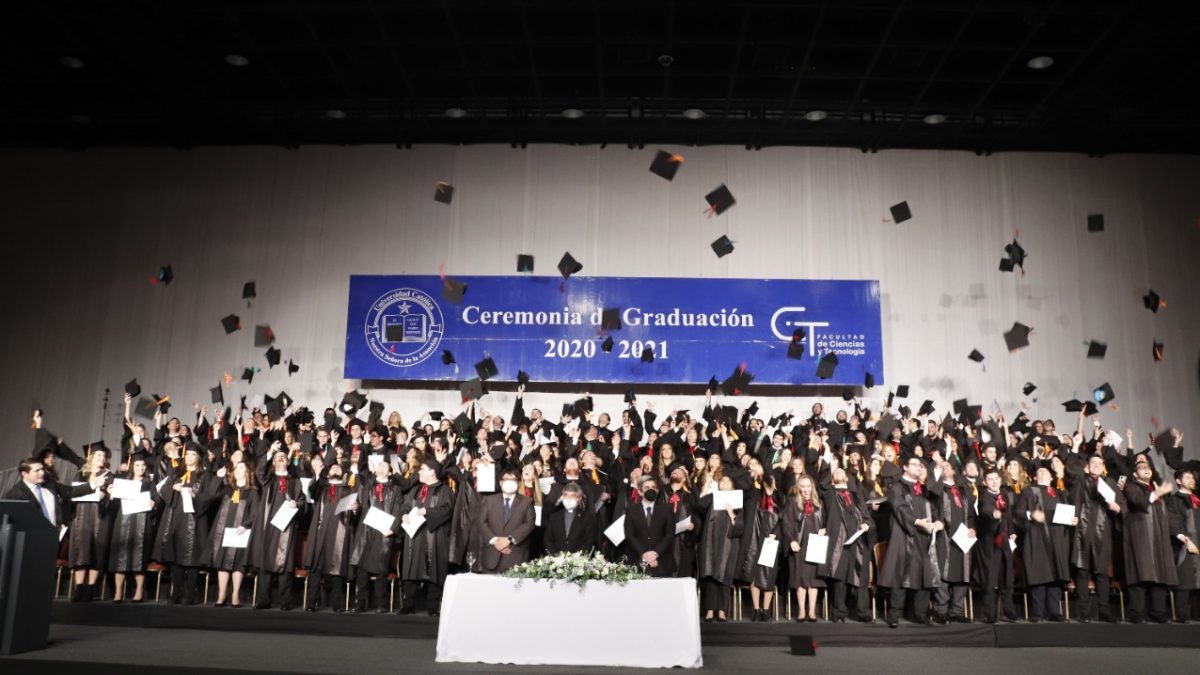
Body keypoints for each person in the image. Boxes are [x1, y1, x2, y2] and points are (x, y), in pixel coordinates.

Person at [878, 457, 942, 628]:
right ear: (905, 467)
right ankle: (894, 615)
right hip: (903, 535)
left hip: (924, 536)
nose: (918, 467)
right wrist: (917, 522)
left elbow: (933, 508)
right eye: (914, 464)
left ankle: (920, 614)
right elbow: (899, 507)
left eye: (920, 465)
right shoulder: (896, 486)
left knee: (924, 575)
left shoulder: (922, 488)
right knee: (899, 575)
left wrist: (937, 521)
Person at [153, 443, 216, 605]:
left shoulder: (205, 475)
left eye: (193, 455)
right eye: (187, 454)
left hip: (195, 519)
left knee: (193, 557)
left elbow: (210, 497)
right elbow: (164, 489)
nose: (189, 457)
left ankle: (190, 594)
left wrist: (195, 494)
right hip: (176, 517)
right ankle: (176, 593)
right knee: (175, 556)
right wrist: (173, 487)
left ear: (198, 458)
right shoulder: (176, 472)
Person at [252, 444, 308, 610]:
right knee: (266, 563)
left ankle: (285, 602)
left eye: (283, 457)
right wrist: (269, 452)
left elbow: (303, 503)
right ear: (273, 463)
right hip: (268, 527)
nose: (281, 459)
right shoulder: (268, 480)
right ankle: (263, 600)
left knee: (286, 565)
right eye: (277, 458)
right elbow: (259, 471)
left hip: (287, 528)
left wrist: (296, 504)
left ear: (289, 462)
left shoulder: (296, 482)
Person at [1122, 457, 1178, 623]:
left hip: (1159, 537)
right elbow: (1137, 502)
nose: (1146, 469)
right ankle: (1137, 613)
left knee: (1161, 573)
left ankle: (1158, 612)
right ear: (1135, 473)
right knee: (1140, 573)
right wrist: (1156, 494)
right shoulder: (1131, 486)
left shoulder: (1156, 488)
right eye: (1141, 467)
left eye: (1148, 467)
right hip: (1140, 535)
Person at [1070, 454, 1123, 623]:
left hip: (1103, 530)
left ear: (1103, 466)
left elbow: (1121, 505)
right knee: (1083, 571)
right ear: (1088, 465)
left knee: (1101, 573)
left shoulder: (1110, 483)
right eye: (1093, 462)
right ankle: (1083, 612)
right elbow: (1075, 502)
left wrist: (1117, 508)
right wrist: (1074, 517)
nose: (1096, 465)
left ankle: (1104, 611)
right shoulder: (1080, 480)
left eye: (1099, 463)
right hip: (1083, 531)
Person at [398, 459, 454, 616]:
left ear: (432, 472)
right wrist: (403, 515)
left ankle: (432, 607)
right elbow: (405, 504)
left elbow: (447, 510)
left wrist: (427, 512)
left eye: (422, 469)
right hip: (414, 536)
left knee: (433, 569)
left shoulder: (444, 490)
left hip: (434, 536)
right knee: (411, 570)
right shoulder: (415, 489)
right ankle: (408, 605)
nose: (419, 472)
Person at [1016, 466, 1071, 621]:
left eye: (1045, 471)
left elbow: (1067, 511)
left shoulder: (1059, 493)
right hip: (1036, 537)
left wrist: (1072, 520)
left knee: (1056, 574)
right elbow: (1017, 512)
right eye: (1038, 472)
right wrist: (1031, 513)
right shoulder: (1028, 491)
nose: (1042, 473)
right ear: (1034, 477)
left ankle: (1054, 611)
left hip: (1058, 539)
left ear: (1052, 477)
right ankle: (1038, 612)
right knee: (1039, 574)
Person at [349, 459, 404, 613]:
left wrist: (392, 528)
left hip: (383, 532)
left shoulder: (396, 489)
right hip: (366, 530)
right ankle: (361, 602)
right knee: (362, 568)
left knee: (381, 568)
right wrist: (354, 508)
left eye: (385, 465)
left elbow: (397, 509)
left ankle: (381, 603)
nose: (381, 465)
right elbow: (360, 504)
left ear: (390, 472)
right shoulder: (368, 485)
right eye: (379, 464)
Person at [303, 456, 357, 612]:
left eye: (338, 468)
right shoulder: (322, 487)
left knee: (337, 568)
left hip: (340, 531)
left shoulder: (349, 490)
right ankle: (311, 603)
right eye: (332, 468)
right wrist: (317, 475)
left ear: (343, 473)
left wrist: (354, 509)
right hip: (321, 532)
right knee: (316, 568)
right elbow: (311, 492)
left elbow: (355, 512)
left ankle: (337, 605)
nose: (335, 469)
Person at [822, 467, 872, 623]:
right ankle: (838, 612)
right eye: (835, 473)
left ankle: (863, 612)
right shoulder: (828, 495)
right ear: (832, 478)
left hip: (857, 540)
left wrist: (866, 524)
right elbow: (824, 514)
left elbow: (866, 516)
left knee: (860, 576)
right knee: (839, 577)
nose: (838, 474)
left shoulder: (856, 496)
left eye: (841, 472)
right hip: (839, 541)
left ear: (847, 477)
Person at [107, 453, 158, 603]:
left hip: (142, 522)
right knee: (120, 559)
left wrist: (154, 503)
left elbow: (156, 501)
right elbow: (115, 503)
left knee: (139, 558)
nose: (140, 468)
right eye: (137, 465)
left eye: (143, 465)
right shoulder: (123, 482)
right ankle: (118, 592)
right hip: (123, 521)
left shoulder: (150, 484)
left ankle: (139, 591)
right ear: (132, 467)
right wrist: (112, 493)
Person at [207, 459, 257, 608]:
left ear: (248, 472)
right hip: (223, 529)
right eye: (236, 467)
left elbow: (255, 512)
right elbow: (212, 493)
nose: (238, 469)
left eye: (242, 467)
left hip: (240, 530)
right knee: (222, 561)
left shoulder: (252, 492)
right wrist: (217, 477)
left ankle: (235, 594)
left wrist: (246, 525)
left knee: (238, 562)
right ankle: (222, 594)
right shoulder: (227, 488)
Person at [67, 446, 115, 602]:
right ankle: (79, 587)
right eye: (98, 455)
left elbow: (112, 496)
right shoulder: (81, 474)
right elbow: (72, 493)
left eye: (104, 455)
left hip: (100, 514)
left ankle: (90, 588)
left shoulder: (109, 476)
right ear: (91, 457)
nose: (101, 457)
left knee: (97, 548)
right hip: (81, 513)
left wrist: (108, 493)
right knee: (80, 548)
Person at [696, 475, 743, 622]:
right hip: (710, 543)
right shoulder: (712, 497)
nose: (725, 483)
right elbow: (699, 505)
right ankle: (710, 610)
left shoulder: (737, 502)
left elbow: (740, 527)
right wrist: (707, 483)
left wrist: (731, 513)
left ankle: (722, 610)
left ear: (732, 486)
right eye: (722, 481)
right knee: (710, 575)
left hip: (728, 544)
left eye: (728, 481)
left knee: (725, 575)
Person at [781, 474, 826, 622]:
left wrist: (824, 530)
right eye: (803, 486)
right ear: (798, 488)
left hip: (815, 545)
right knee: (799, 578)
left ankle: (812, 611)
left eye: (808, 486)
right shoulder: (792, 502)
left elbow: (826, 522)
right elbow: (786, 523)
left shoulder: (818, 503)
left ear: (812, 487)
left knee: (814, 579)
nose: (806, 489)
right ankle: (801, 611)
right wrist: (792, 540)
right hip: (799, 544)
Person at [478, 468, 536, 574]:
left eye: (513, 479)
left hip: (515, 559)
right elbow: (481, 523)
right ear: (500, 483)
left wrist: (509, 539)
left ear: (518, 483)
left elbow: (529, 524)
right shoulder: (489, 500)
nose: (509, 482)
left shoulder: (527, 502)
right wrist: (496, 541)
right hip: (491, 558)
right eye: (506, 479)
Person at [741, 474, 782, 621]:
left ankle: (766, 610)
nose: (769, 483)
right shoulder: (756, 497)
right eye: (766, 481)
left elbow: (784, 521)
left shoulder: (780, 498)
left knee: (769, 576)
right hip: (756, 540)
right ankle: (756, 609)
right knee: (755, 575)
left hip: (772, 541)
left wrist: (775, 534)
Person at [623, 474, 674, 577]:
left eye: (653, 488)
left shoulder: (666, 509)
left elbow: (669, 534)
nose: (651, 490)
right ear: (640, 492)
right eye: (647, 488)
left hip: (661, 562)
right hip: (637, 562)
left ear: (657, 490)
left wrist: (655, 554)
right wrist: (644, 554)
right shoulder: (631, 510)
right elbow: (629, 535)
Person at [1168, 469, 1200, 622]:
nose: (1192, 479)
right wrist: (1187, 541)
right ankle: (1182, 617)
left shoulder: (1196, 499)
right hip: (1184, 545)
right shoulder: (1175, 500)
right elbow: (1173, 523)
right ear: (1179, 481)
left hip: (1198, 542)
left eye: (1192, 477)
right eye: (1187, 477)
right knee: (1185, 580)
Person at [544, 482, 596, 554]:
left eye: (573, 495)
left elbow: (589, 541)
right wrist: (555, 557)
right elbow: (548, 539)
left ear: (579, 498)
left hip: (579, 561)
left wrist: (577, 557)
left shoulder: (587, 517)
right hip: (556, 560)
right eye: (566, 495)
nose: (568, 498)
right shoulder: (554, 517)